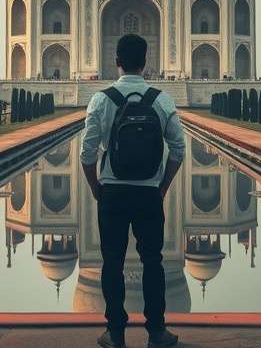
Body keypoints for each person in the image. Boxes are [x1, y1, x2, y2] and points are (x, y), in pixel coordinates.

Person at [81, 34, 184, 348]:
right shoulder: (161, 99)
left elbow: (87, 154)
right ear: (146, 62)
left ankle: (115, 334)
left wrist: (97, 189)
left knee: (112, 263)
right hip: (149, 194)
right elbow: (178, 149)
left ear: (116, 62)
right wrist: (162, 186)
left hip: (112, 192)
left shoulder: (102, 99)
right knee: (153, 261)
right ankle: (157, 332)